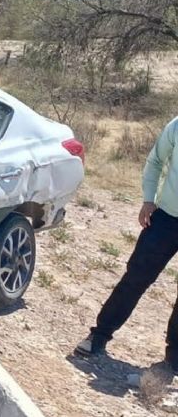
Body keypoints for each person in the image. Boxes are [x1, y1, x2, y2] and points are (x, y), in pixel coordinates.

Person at [76, 117, 178, 371]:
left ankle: (174, 358)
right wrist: (148, 200)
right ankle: (99, 335)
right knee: (135, 278)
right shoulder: (176, 126)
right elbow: (155, 161)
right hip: (166, 219)